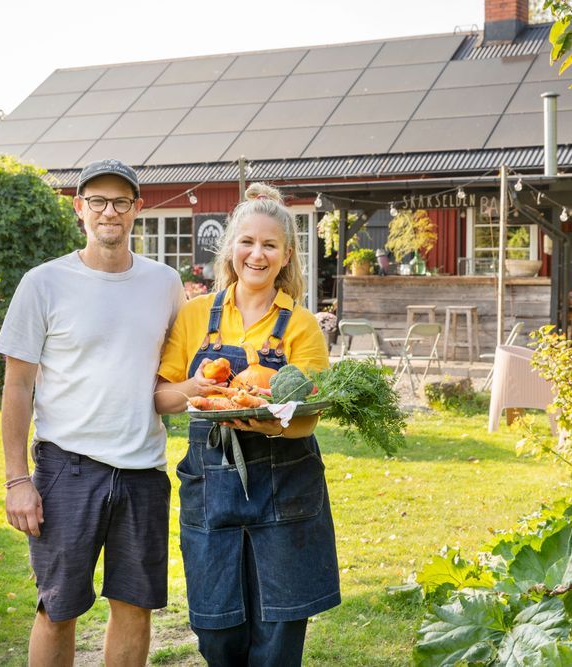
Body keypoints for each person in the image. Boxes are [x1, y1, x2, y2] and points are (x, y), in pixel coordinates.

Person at [0, 159, 185, 667]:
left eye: (121, 202)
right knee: (58, 609)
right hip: (67, 469)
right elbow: (17, 387)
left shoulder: (165, 283)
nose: (110, 211)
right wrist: (18, 480)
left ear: (137, 210)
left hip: (144, 470)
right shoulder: (43, 283)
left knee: (135, 606)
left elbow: (178, 370)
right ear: (79, 209)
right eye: (97, 201)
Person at [154, 183, 340, 666]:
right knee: (216, 629)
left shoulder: (301, 325)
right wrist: (198, 389)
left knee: (278, 631)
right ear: (231, 248)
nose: (257, 254)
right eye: (248, 242)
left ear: (286, 257)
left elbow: (308, 417)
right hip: (211, 491)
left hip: (286, 490)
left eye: (270, 245)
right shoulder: (196, 315)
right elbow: (161, 397)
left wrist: (261, 421)